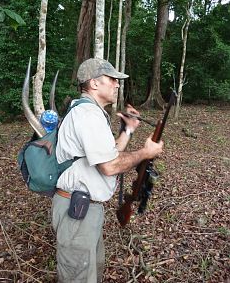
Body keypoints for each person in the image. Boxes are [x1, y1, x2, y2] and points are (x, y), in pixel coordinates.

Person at [52, 58, 164, 283]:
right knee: (79, 277)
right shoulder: (87, 115)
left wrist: (128, 131)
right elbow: (110, 166)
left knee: (92, 271)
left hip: (85, 210)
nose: (117, 84)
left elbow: (108, 153)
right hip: (76, 213)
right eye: (112, 79)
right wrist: (145, 153)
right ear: (94, 83)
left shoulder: (89, 112)